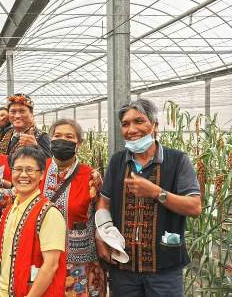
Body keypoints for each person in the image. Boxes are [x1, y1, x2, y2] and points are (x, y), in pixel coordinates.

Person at [96, 98, 202, 296]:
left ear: (154, 126)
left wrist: (156, 192)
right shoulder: (118, 161)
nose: (131, 129)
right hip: (123, 268)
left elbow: (194, 207)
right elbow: (105, 200)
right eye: (125, 124)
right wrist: (102, 232)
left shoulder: (177, 160)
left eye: (139, 121)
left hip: (164, 270)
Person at [0, 146, 66, 297]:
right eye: (18, 169)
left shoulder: (49, 213)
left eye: (30, 170)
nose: (23, 175)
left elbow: (51, 265)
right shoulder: (10, 210)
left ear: (41, 175)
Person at [40, 119, 106, 297]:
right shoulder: (39, 170)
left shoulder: (91, 175)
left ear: (79, 144)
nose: (62, 140)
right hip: (43, 257)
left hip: (80, 260)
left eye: (69, 137)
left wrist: (102, 238)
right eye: (57, 136)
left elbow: (102, 210)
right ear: (51, 140)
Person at [0, 93, 52, 159]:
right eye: (13, 112)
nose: (17, 116)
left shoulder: (42, 136)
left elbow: (49, 163)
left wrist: (36, 147)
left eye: (22, 111)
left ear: (31, 114)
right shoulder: (6, 132)